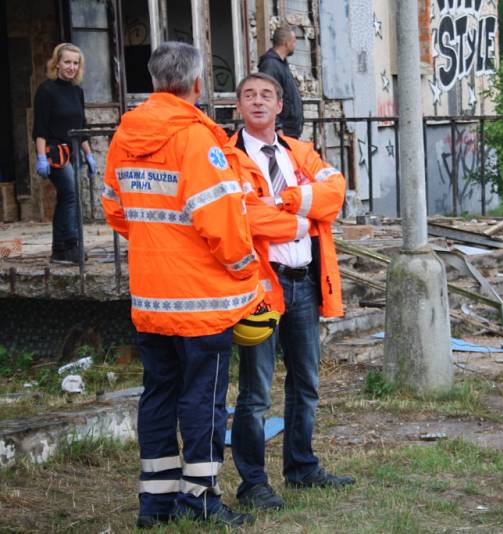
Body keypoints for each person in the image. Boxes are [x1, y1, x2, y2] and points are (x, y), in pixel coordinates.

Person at [102, 42, 264, 529]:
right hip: (200, 303)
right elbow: (221, 222)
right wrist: (246, 271)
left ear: (154, 80)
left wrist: (159, 241)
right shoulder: (196, 140)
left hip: (152, 297)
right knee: (203, 400)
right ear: (197, 84)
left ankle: (155, 505)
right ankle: (201, 499)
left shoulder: (125, 135)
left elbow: (115, 209)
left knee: (158, 395)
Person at [225, 72, 352, 512]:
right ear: (238, 106)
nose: (258, 102)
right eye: (249, 95)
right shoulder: (227, 157)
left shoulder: (299, 151)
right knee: (256, 392)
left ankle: (301, 466)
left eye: (267, 95)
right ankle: (253, 483)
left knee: (307, 383)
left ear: (280, 106)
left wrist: (289, 200)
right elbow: (244, 218)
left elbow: (334, 193)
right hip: (261, 286)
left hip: (304, 281)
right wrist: (302, 216)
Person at [33, 43, 97, 264]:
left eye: (75, 63)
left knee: (68, 198)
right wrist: (41, 157)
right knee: (70, 195)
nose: (71, 67)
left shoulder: (77, 91)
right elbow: (39, 128)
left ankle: (59, 250)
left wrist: (89, 156)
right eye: (67, 62)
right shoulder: (46, 90)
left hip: (74, 153)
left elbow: (81, 126)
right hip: (54, 152)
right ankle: (70, 245)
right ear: (57, 63)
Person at [257, 26, 304, 138]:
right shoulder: (271, 65)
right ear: (286, 43)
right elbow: (266, 97)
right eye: (293, 42)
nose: (294, 45)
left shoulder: (281, 64)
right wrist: (277, 127)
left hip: (290, 131)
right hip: (282, 132)